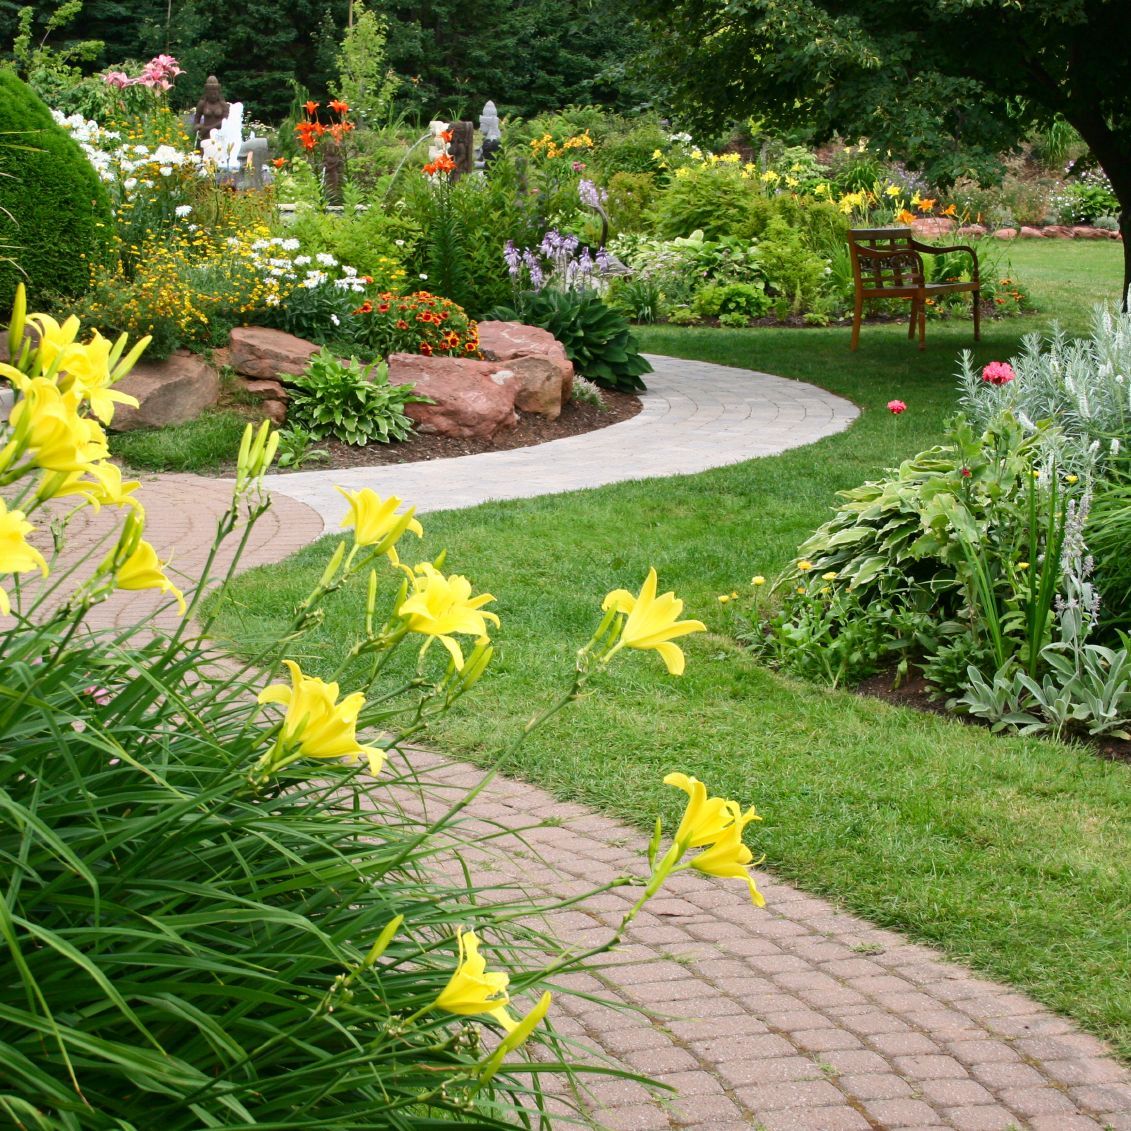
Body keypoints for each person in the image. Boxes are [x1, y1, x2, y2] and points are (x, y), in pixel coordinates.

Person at [193, 76, 229, 148]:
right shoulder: (202, 104)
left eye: (215, 93)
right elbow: (197, 119)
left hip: (219, 135)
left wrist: (207, 128)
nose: (213, 95)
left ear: (218, 92)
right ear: (206, 92)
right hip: (205, 135)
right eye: (210, 93)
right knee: (204, 151)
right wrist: (197, 126)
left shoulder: (223, 104)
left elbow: (225, 121)